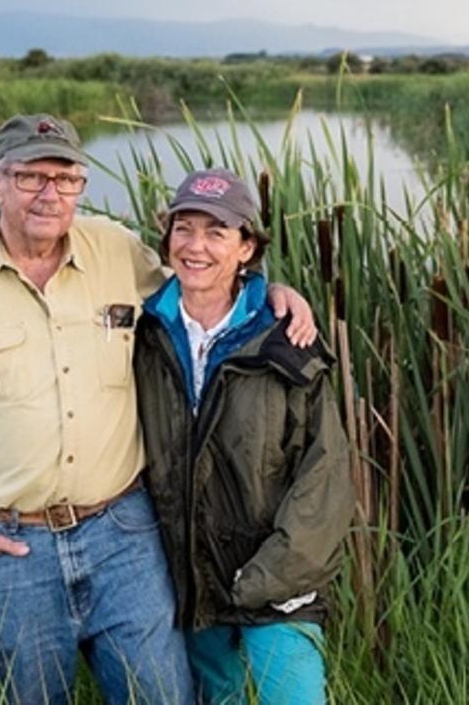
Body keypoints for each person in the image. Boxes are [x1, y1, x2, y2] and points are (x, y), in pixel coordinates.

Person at [0, 115, 318, 705]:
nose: (51, 194)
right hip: (12, 546)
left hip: (124, 533)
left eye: (67, 179)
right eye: (32, 176)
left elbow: (201, 279)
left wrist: (270, 292)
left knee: (163, 696)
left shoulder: (116, 251)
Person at [135, 169, 353, 705]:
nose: (196, 247)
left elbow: (325, 475)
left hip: (275, 583)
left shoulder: (286, 340)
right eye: (184, 229)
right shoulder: (141, 331)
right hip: (191, 580)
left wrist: (269, 579)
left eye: (217, 232)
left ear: (247, 247)